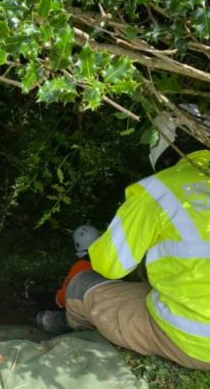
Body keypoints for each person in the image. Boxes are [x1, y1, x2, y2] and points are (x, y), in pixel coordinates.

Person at [56, 127, 210, 370]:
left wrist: (95, 251)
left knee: (81, 284)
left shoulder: (159, 190)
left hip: (198, 342)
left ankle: (71, 330)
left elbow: (110, 265)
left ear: (164, 157)